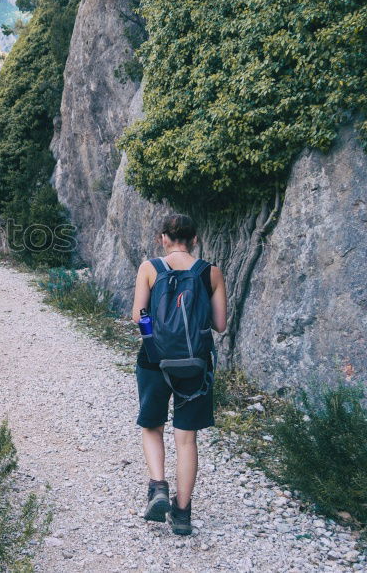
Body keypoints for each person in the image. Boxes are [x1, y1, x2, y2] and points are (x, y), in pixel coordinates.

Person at [131, 214, 227, 535]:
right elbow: (220, 324)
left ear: (163, 239)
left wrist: (153, 339)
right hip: (195, 364)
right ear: (195, 239)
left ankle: (158, 486)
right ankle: (182, 514)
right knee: (186, 440)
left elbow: (139, 316)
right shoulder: (210, 272)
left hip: (154, 361)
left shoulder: (149, 269)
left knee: (152, 426)